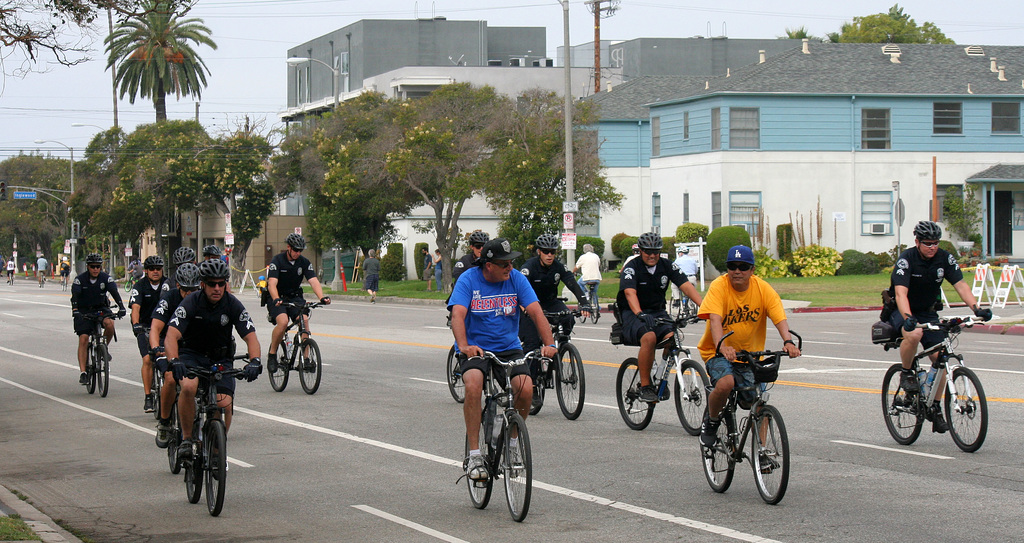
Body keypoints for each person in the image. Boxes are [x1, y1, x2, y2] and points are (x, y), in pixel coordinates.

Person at [449, 238, 558, 482]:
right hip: (475, 348)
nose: (510, 268)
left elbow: (536, 311)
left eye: (511, 263)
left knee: (525, 389)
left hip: (508, 347)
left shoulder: (517, 279)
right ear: (489, 265)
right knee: (474, 384)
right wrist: (464, 346)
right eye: (504, 264)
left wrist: (549, 344)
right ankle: (475, 454)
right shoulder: (469, 279)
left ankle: (511, 441)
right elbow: (457, 314)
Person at [888, 220, 991, 434]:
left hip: (927, 311)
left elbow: (960, 284)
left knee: (941, 357)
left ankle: (934, 406)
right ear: (917, 242)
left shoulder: (945, 258)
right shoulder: (907, 259)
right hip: (902, 310)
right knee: (914, 333)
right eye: (927, 243)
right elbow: (900, 293)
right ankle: (906, 373)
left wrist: (976, 308)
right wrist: (907, 316)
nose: (932, 247)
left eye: (935, 243)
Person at [697, 245, 800, 447]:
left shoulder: (762, 288)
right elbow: (715, 320)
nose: (737, 271)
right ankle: (711, 421)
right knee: (726, 384)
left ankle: (761, 452)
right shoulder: (719, 286)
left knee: (757, 404)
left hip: (749, 356)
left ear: (752, 270)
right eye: (732, 266)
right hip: (717, 352)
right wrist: (723, 346)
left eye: (743, 266)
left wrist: (788, 341)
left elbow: (778, 316)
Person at [162, 259, 262, 461]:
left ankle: (218, 444)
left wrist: (255, 361)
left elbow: (251, 336)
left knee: (223, 404)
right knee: (189, 387)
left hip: (220, 358)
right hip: (192, 355)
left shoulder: (232, 303)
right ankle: (187, 439)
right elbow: (171, 336)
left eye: (221, 283)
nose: (217, 288)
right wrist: (175, 360)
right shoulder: (191, 302)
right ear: (202, 284)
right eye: (211, 284)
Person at [616, 232, 704, 402]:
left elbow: (685, 286)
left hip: (657, 311)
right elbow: (629, 293)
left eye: (656, 252)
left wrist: (705, 308)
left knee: (672, 337)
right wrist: (639, 313)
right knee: (649, 338)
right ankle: (646, 385)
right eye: (648, 251)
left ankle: (660, 374)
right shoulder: (631, 268)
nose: (652, 255)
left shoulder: (667, 265)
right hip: (633, 313)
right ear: (641, 251)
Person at [519, 233, 592, 409]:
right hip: (530, 305)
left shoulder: (558, 266)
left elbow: (572, 283)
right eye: (546, 251)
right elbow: (519, 289)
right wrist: (524, 309)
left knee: (567, 316)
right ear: (539, 252)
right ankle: (533, 386)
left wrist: (585, 303)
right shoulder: (529, 268)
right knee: (533, 342)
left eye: (552, 251)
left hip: (550, 302)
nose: (549, 255)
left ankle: (563, 344)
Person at [150, 263, 201, 448]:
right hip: (168, 345)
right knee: (171, 379)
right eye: (186, 289)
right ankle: (164, 422)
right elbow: (156, 327)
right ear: (178, 286)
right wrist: (156, 348)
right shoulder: (168, 298)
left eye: (194, 289)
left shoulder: (202, 298)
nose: (190, 293)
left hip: (192, 347)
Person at [266, 233, 330, 373]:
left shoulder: (304, 262)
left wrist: (322, 297)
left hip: (295, 297)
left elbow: (313, 280)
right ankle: (272, 354)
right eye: (295, 250)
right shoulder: (277, 261)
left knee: (304, 321)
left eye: (300, 250)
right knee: (282, 322)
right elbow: (272, 284)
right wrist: (276, 298)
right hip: (278, 298)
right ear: (288, 247)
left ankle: (306, 360)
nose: (297, 253)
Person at [71, 253, 126, 385]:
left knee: (110, 324)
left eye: (98, 267)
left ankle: (103, 349)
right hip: (84, 310)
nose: (95, 269)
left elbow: (115, 293)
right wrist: (75, 311)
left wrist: (121, 307)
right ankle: (83, 372)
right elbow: (75, 297)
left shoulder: (106, 279)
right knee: (84, 338)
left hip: (101, 308)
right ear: (88, 267)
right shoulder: (80, 280)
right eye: (93, 266)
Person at [129, 255, 170, 413]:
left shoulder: (168, 284)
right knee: (147, 360)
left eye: (158, 269)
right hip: (145, 327)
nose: (155, 272)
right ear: (145, 271)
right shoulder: (140, 286)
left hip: (165, 329)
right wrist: (136, 325)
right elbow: (135, 308)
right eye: (151, 269)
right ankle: (148, 396)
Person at [572, 242, 602, 310]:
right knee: (594, 292)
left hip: (586, 277)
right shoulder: (596, 256)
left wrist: (572, 272)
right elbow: (598, 265)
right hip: (597, 277)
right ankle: (597, 307)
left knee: (579, 283)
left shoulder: (583, 257)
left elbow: (577, 267)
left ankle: (585, 294)